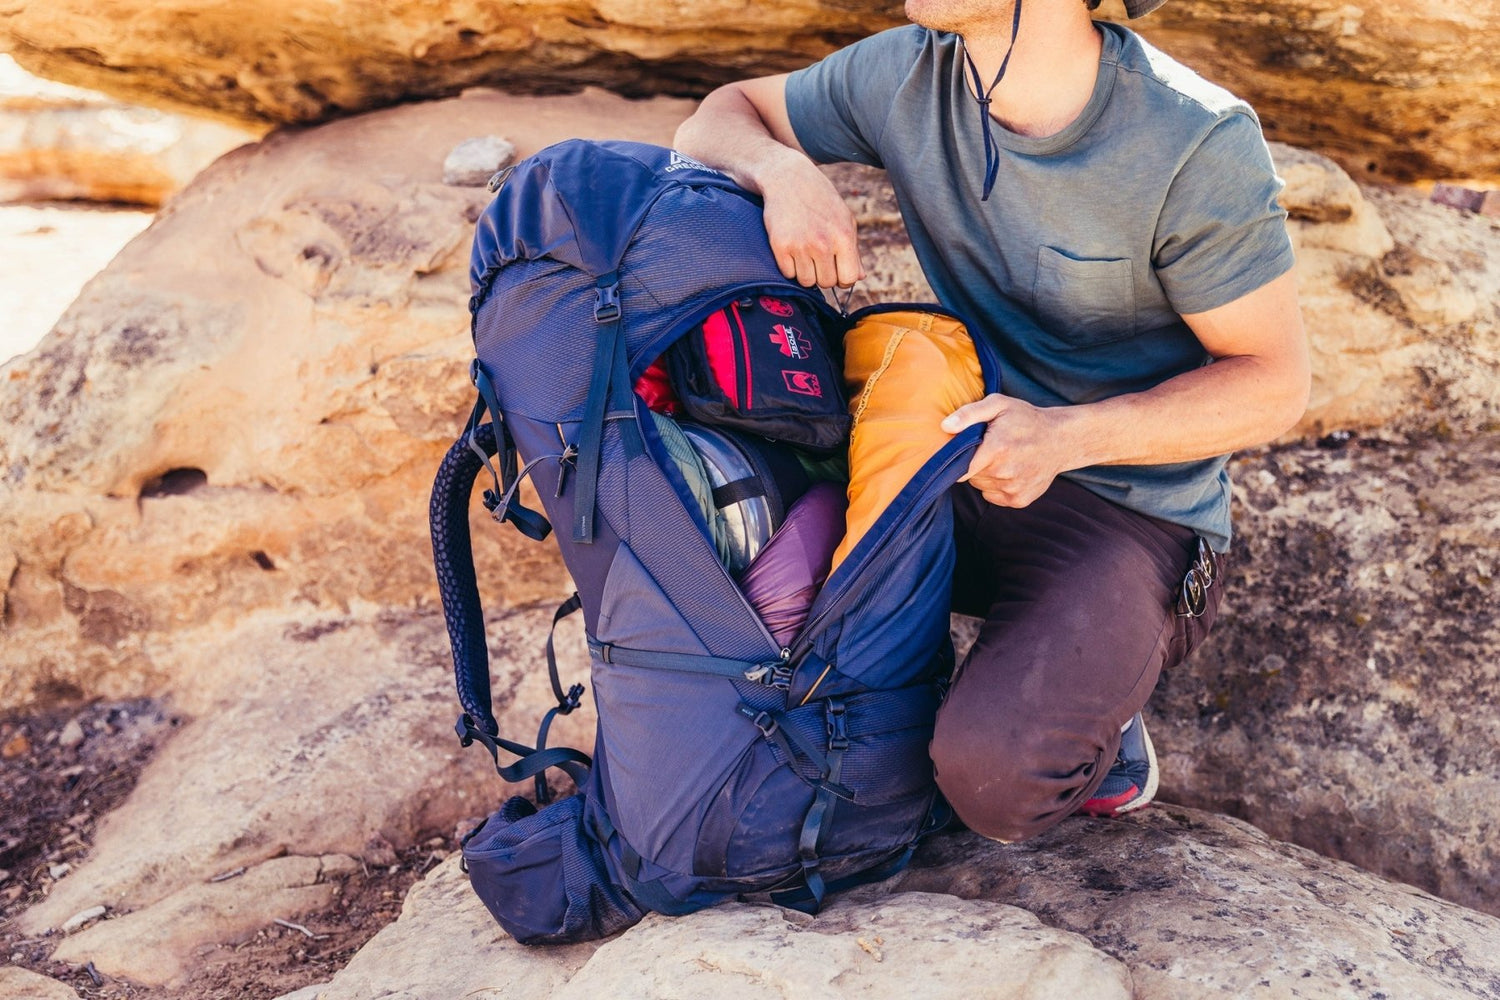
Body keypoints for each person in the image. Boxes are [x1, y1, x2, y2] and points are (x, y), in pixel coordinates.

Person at [673, 0, 1310, 843]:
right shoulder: (907, 70)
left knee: (994, 781)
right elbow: (721, 114)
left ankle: (1102, 721)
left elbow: (1275, 382)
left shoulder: (1194, 138)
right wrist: (781, 172)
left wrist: (1066, 436)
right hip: (959, 452)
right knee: (710, 511)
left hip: (1127, 506)